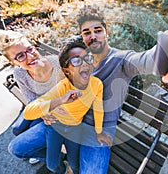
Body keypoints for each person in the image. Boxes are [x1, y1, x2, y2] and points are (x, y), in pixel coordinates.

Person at [73, 5, 168, 173]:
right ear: (82, 36)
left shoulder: (121, 60)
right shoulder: (81, 60)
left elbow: (148, 59)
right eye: (86, 32)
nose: (92, 36)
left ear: (106, 32)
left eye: (97, 30)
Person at [23, 40, 112, 173]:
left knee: (75, 165)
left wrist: (99, 132)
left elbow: (98, 110)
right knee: (51, 165)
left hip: (75, 129)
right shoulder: (62, 87)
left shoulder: (97, 84)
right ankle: (62, 169)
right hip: (55, 126)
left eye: (87, 58)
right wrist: (59, 101)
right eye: (76, 61)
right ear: (67, 70)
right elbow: (28, 113)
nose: (84, 63)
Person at [0, 30, 67, 172]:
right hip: (42, 109)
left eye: (30, 49)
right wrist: (42, 113)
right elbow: (31, 100)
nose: (30, 56)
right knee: (17, 129)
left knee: (18, 145)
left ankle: (56, 160)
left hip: (60, 113)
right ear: (13, 62)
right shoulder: (19, 73)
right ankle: (51, 154)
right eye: (20, 56)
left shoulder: (58, 65)